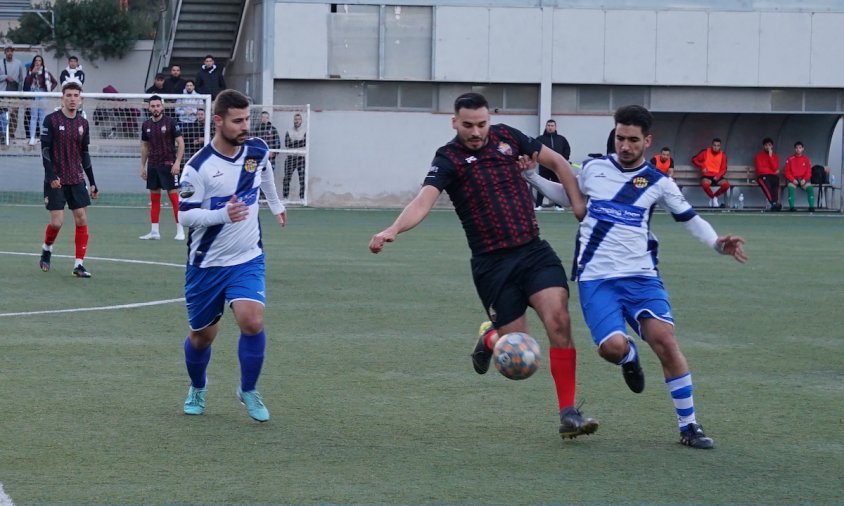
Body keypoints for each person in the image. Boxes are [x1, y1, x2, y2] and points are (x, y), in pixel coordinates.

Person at [368, 92, 598, 440]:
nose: (476, 132)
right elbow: (423, 201)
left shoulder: (508, 137)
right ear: (454, 122)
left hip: (533, 250)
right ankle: (491, 339)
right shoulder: (448, 158)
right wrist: (393, 229)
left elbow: (559, 163)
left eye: (481, 124)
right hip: (492, 265)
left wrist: (578, 205)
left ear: (490, 119)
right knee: (521, 358)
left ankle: (568, 413)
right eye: (468, 125)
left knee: (559, 320)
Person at [523, 105, 747, 449]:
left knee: (667, 342)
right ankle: (628, 357)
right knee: (611, 348)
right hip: (596, 279)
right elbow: (569, 198)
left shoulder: (659, 182)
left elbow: (689, 218)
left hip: (642, 278)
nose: (624, 146)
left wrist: (717, 244)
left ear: (648, 141)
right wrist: (533, 177)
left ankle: (689, 426)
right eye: (619, 138)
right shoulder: (595, 168)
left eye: (632, 140)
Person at [177, 89, 287, 422]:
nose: (245, 126)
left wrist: (276, 204)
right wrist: (223, 214)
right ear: (218, 121)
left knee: (252, 321)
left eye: (247, 119)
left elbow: (264, 171)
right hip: (206, 264)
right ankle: (198, 386)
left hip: (247, 257)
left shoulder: (256, 149)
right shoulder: (198, 168)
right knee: (201, 337)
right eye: (237, 121)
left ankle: (249, 389)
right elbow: (184, 215)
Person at [37, 78, 98, 278]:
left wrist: (92, 182)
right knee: (57, 223)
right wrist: (51, 175)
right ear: (62, 98)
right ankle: (47, 249)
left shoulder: (83, 123)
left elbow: (85, 154)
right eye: (68, 95)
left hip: (76, 178)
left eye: (76, 96)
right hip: (55, 179)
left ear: (81, 99)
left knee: (81, 219)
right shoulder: (51, 120)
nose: (72, 99)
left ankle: (79, 265)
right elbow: (45, 150)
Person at [139, 95, 185, 240]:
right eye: (153, 106)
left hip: (169, 165)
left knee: (174, 198)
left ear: (162, 107)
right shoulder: (146, 125)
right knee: (154, 199)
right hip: (153, 165)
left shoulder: (170, 122)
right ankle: (154, 232)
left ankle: (180, 230)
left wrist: (177, 162)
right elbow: (145, 147)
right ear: (149, 108)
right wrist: (142, 166)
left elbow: (181, 143)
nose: (155, 108)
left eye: (158, 106)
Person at [534, 118, 571, 211]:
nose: (550, 127)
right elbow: (534, 149)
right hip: (544, 167)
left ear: (555, 127)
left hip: (557, 167)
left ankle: (558, 205)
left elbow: (567, 149)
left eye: (552, 126)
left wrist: (564, 159)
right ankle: (538, 205)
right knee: (541, 186)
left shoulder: (561, 139)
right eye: (548, 126)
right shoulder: (540, 139)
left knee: (558, 186)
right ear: (546, 126)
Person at [23, 54, 58, 145]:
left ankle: (43, 137)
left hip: (43, 94)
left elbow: (55, 82)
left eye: (39, 60)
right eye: (36, 60)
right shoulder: (30, 71)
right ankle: (32, 137)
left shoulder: (45, 72)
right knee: (33, 116)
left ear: (42, 62)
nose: (38, 62)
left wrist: (48, 90)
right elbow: (27, 82)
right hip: (34, 93)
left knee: (42, 117)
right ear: (34, 62)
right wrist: (33, 73)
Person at [691, 138, 731, 208]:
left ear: (720, 146)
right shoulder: (705, 152)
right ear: (712, 145)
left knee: (726, 185)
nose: (716, 147)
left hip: (717, 176)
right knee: (705, 185)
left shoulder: (723, 155)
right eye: (714, 145)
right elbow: (694, 159)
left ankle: (714, 197)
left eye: (718, 146)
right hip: (707, 175)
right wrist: (702, 166)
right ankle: (713, 198)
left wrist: (718, 176)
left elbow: (724, 169)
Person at [1, 43, 25, 143]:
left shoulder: (18, 63)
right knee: (2, 114)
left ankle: (11, 135)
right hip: (2, 92)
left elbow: (21, 79)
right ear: (5, 52)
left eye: (11, 51)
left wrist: (20, 93)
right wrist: (5, 77)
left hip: (14, 93)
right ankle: (2, 135)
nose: (9, 53)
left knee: (14, 114)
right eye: (8, 51)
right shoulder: (0, 63)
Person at [783, 141, 815, 212]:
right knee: (790, 188)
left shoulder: (806, 159)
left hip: (804, 179)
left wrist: (804, 179)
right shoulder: (790, 159)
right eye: (796, 148)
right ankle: (792, 207)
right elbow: (787, 172)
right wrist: (793, 179)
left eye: (800, 148)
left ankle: (811, 207)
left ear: (803, 149)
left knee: (810, 189)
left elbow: (809, 172)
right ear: (794, 149)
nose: (798, 149)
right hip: (793, 179)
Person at [282, 112, 306, 201]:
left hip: (301, 157)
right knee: (286, 178)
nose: (297, 121)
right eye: (295, 119)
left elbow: (304, 142)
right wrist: (298, 142)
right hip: (290, 157)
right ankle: (285, 197)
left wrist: (293, 142)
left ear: (301, 121)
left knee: (302, 178)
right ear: (293, 120)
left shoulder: (305, 131)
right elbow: (287, 144)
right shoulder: (289, 131)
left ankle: (302, 198)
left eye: (299, 119)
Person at [754, 137, 782, 212]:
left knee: (775, 187)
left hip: (773, 176)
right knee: (767, 187)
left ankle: (775, 203)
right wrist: (772, 171)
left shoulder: (775, 156)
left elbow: (775, 168)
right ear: (763, 146)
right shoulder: (758, 156)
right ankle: (773, 203)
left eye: (769, 145)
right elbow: (760, 169)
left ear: (772, 146)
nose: (768, 147)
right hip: (763, 176)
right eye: (766, 145)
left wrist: (770, 157)